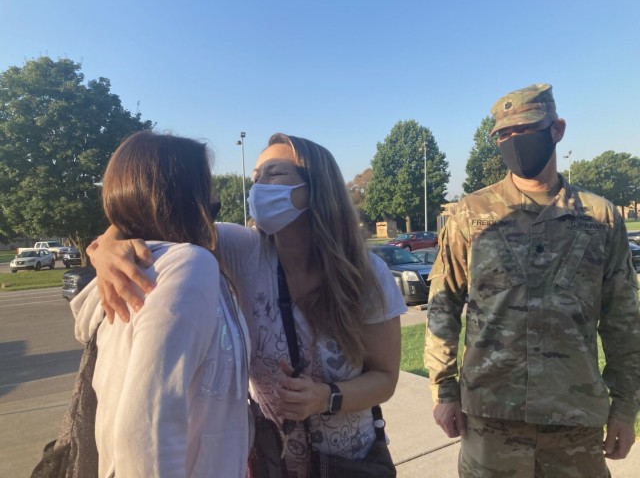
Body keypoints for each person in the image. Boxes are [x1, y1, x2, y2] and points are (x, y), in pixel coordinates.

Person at [88, 133, 406, 477]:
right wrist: (105, 247)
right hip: (270, 462)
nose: (259, 186)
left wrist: (324, 397)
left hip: (349, 464)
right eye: (256, 177)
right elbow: (155, 213)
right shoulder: (242, 249)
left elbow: (385, 379)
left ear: (317, 189)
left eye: (275, 174)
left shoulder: (365, 273)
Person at [425, 83, 640, 477]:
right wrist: (443, 389)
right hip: (491, 419)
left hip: (574, 419)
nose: (514, 141)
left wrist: (626, 408)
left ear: (556, 129)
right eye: (504, 134)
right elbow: (443, 305)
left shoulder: (600, 217)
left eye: (524, 129)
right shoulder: (470, 214)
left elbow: (622, 319)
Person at [73, 131, 250, 477]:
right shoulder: (188, 266)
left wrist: (106, 241)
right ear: (186, 194)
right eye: (207, 184)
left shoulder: (142, 264)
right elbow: (144, 429)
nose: (214, 197)